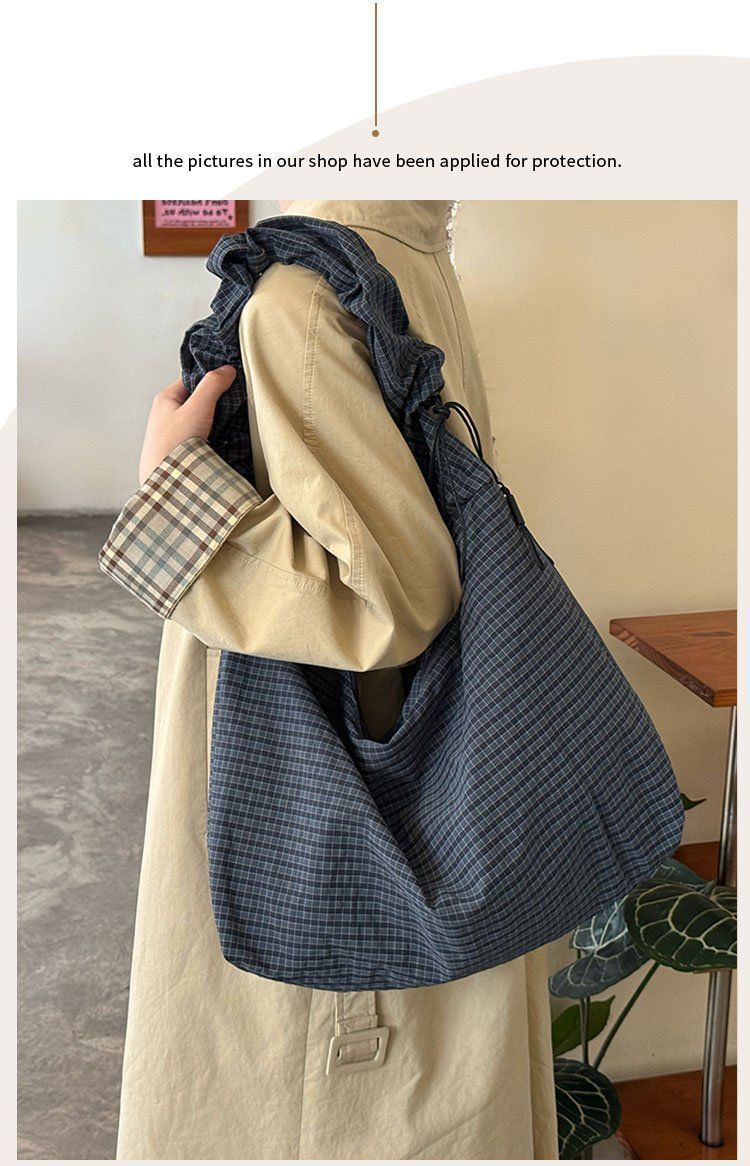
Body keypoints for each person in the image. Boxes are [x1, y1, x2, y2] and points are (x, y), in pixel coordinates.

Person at [101, 200, 557, 1159]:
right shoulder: (409, 253)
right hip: (426, 783)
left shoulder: (301, 297)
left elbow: (389, 600)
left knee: (292, 1095)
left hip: (325, 802)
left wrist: (172, 490)